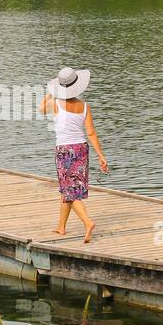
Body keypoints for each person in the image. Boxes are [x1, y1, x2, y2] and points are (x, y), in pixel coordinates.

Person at [39, 66, 109, 243]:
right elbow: (91, 133)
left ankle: (88, 222)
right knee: (69, 187)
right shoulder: (84, 106)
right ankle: (61, 227)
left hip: (64, 150)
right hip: (81, 148)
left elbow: (40, 109)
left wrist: (50, 92)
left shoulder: (55, 103)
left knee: (70, 190)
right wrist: (101, 155)